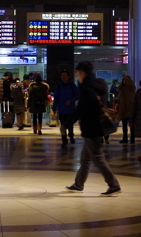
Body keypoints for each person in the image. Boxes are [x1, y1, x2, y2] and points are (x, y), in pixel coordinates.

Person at [67, 61, 121, 195]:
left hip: (92, 127)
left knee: (97, 158)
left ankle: (114, 185)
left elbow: (81, 109)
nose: (77, 76)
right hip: (97, 125)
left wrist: (67, 123)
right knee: (85, 158)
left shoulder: (86, 88)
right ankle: (78, 184)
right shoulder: (100, 84)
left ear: (82, 73)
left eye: (78, 73)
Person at [52, 70, 79, 146]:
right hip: (62, 109)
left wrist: (71, 101)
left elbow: (77, 95)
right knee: (63, 125)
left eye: (65, 75)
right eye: (62, 75)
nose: (63, 77)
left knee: (70, 124)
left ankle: (71, 136)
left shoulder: (72, 85)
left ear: (68, 77)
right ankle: (64, 139)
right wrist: (54, 108)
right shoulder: (59, 86)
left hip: (70, 109)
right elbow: (56, 97)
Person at [117, 75, 136, 144]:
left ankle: (132, 138)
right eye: (124, 80)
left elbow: (131, 84)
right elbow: (120, 99)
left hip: (130, 108)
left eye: (126, 80)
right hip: (123, 109)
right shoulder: (121, 89)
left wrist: (126, 78)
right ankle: (125, 138)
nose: (125, 81)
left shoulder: (131, 88)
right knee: (124, 125)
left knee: (131, 125)